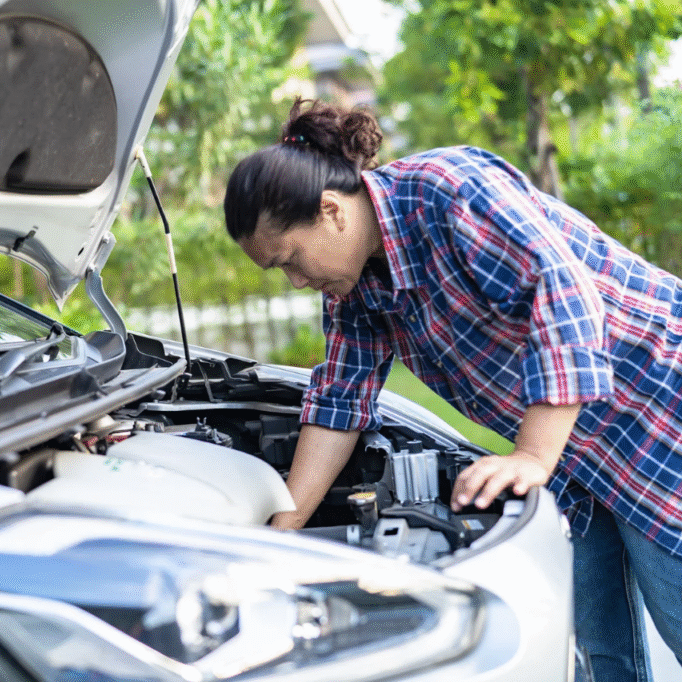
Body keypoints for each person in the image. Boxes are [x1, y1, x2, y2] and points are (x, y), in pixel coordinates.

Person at [223, 98, 682, 682]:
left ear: (331, 212)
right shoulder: (355, 288)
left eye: (291, 259)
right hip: (573, 450)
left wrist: (532, 455)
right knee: (594, 646)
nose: (296, 279)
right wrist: (284, 532)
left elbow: (565, 295)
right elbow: (339, 402)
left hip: (654, 410)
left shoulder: (450, 193)